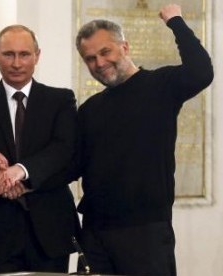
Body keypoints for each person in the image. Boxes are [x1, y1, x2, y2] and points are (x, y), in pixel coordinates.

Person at [75, 4, 213, 276]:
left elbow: (201, 71)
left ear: (124, 47)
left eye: (105, 52)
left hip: (145, 232)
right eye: (90, 59)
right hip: (95, 233)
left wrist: (175, 21)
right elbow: (73, 163)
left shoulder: (161, 86)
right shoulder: (89, 109)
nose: (99, 63)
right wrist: (23, 176)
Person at [0, 24, 80, 274]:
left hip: (50, 230)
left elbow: (65, 151)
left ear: (37, 55)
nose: (17, 63)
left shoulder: (61, 101)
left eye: (24, 54)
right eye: (8, 54)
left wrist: (22, 174)